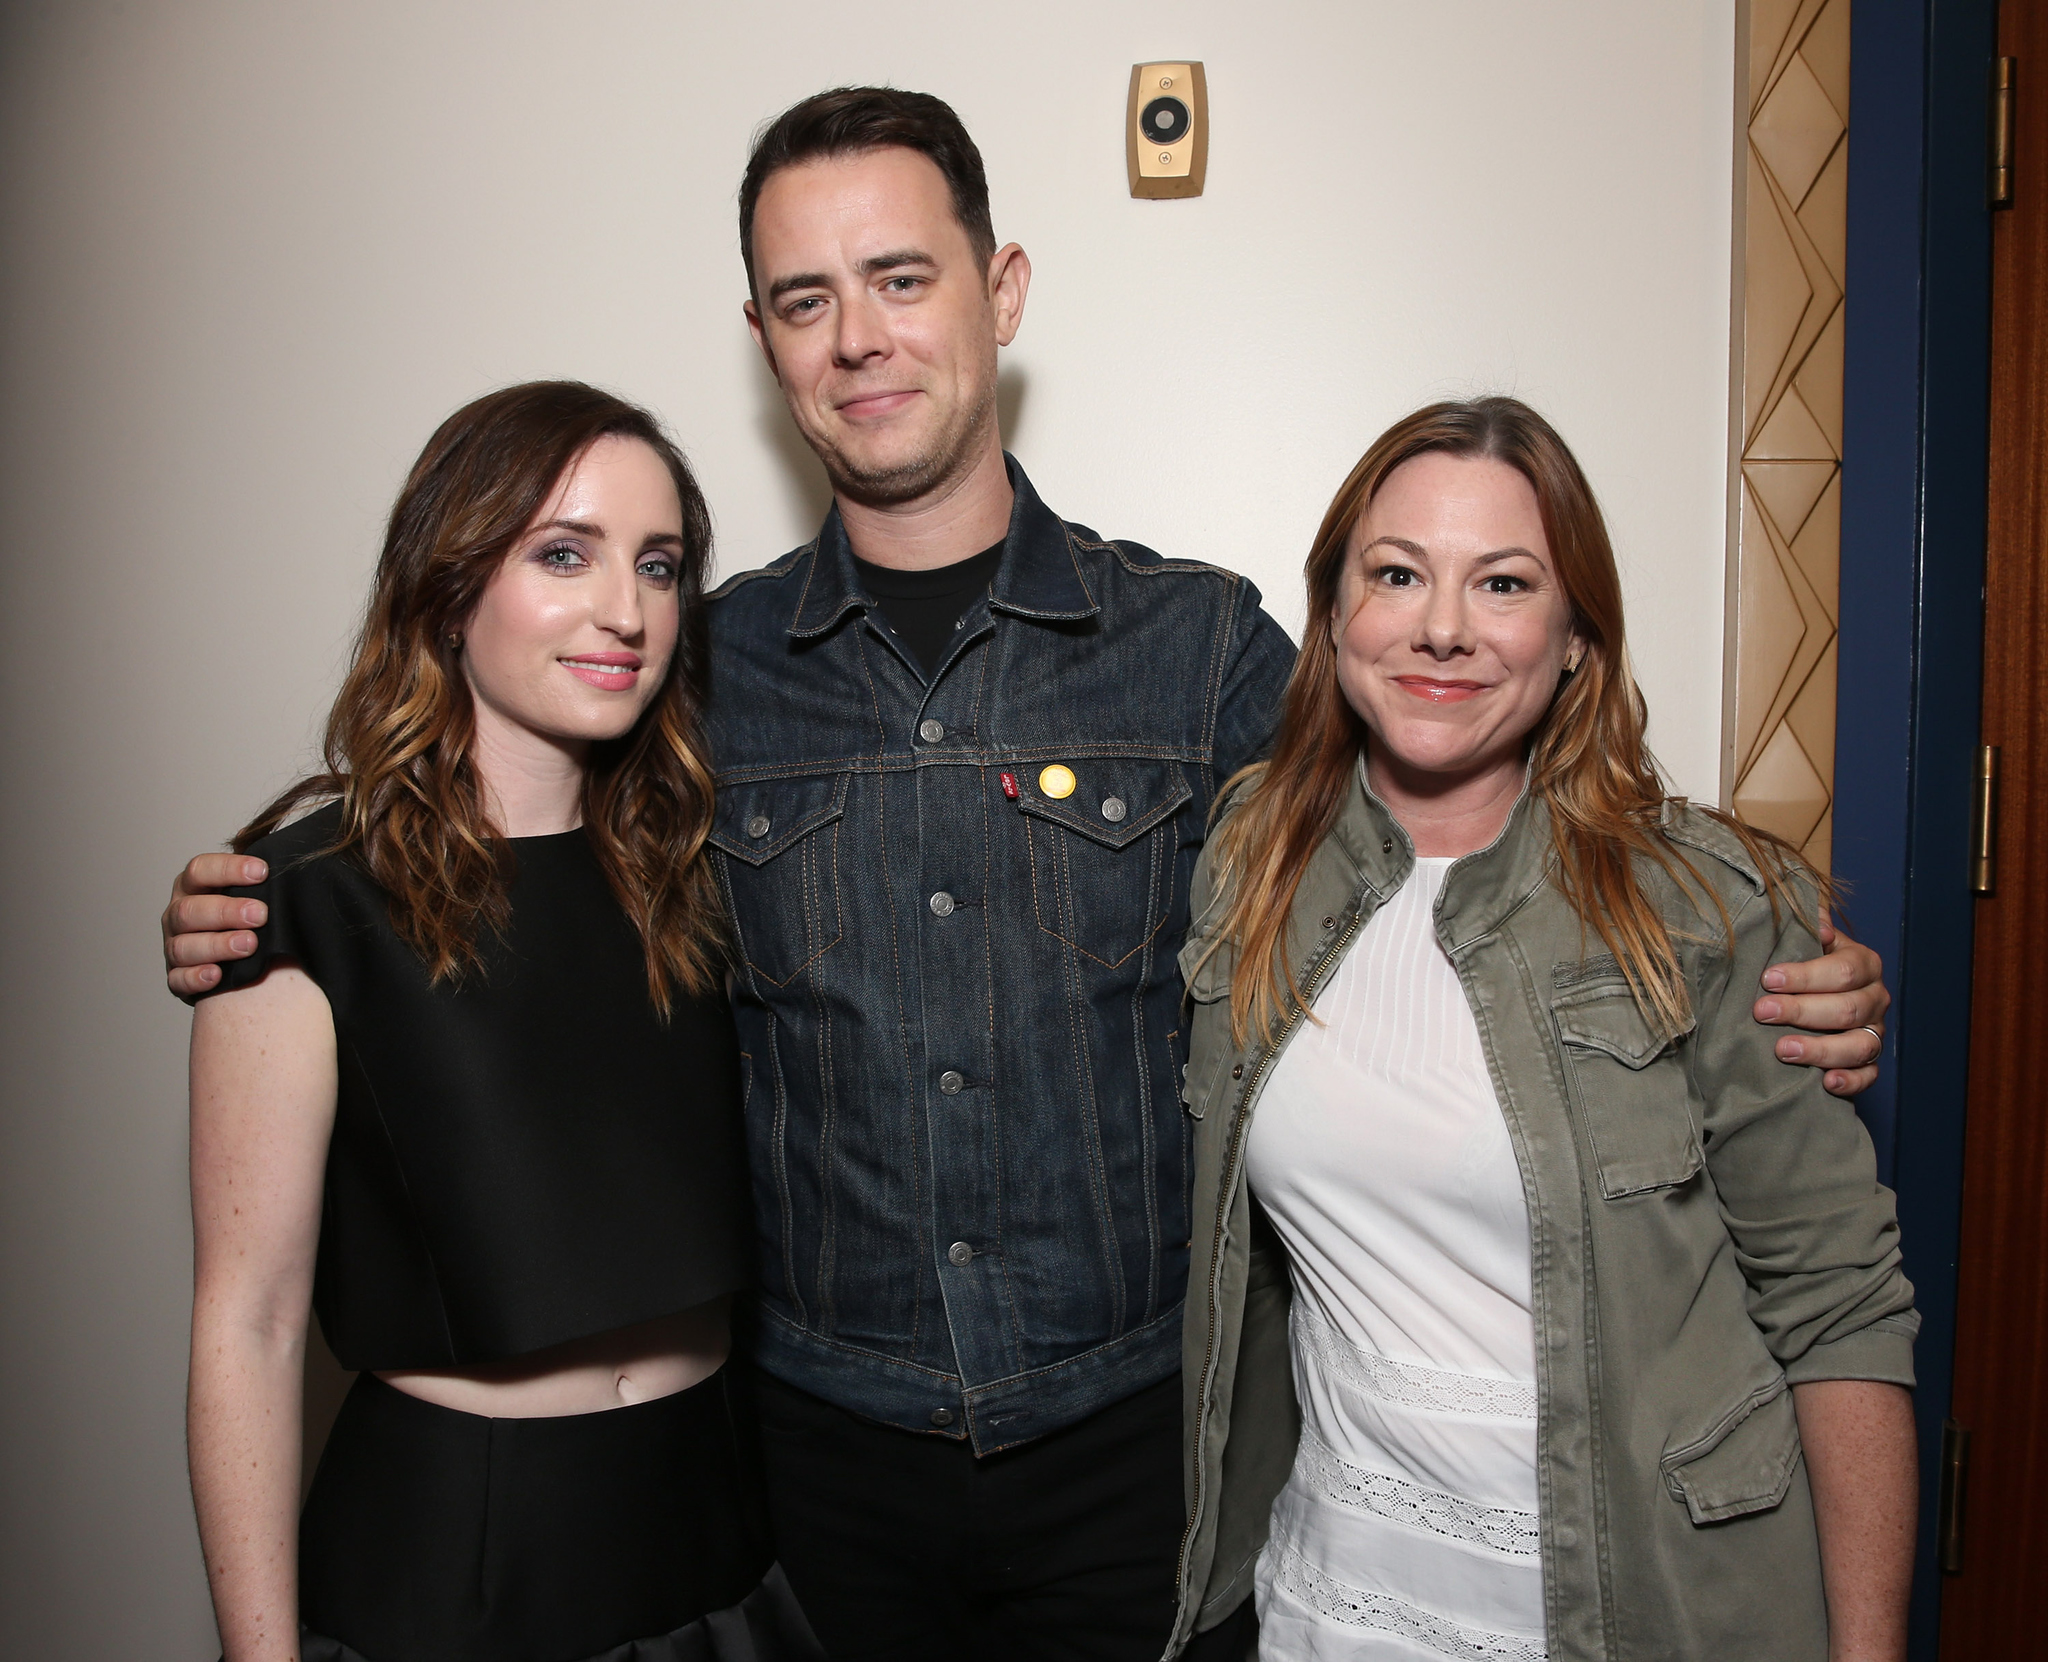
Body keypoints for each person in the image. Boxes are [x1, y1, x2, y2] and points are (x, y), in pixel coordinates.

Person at [164, 90, 1896, 1662]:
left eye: (900, 278)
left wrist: (1751, 930)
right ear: (762, 339)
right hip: (810, 1478)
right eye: (803, 298)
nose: (858, 339)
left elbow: (1437, 787)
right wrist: (268, 898)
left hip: (1137, 1455)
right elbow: (498, 809)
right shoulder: (700, 667)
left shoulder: (1196, 644)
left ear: (999, 289)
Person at [1171, 398, 1916, 1662]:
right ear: (1335, 613)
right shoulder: (1250, 866)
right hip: (1328, 1607)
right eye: (1395, 574)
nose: (1442, 628)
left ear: (1575, 638)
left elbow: (1837, 1309)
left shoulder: (1706, 911)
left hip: (1642, 1614)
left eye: (1503, 583)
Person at [185, 381, 819, 1662]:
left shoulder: (693, 875)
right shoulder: (303, 903)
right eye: (563, 554)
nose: (623, 611)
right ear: (449, 580)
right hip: (453, 1569)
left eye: (657, 565)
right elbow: (246, 1326)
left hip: (715, 1550)